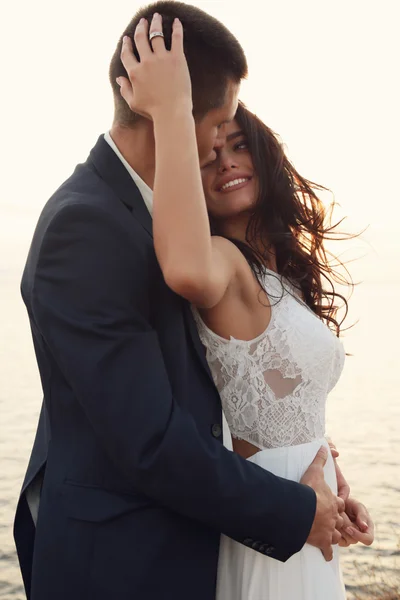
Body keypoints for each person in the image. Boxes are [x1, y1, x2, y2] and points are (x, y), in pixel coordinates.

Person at [13, 5, 371, 600]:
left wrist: (310, 464)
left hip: (197, 543)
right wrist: (295, 510)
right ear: (181, 116)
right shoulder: (86, 225)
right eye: (223, 120)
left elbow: (212, 389)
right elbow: (149, 440)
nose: (223, 147)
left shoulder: (171, 223)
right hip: (122, 567)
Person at [116, 11, 374, 600]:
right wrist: (174, 110)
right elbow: (180, 265)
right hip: (270, 516)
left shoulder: (282, 276)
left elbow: (295, 410)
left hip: (307, 510)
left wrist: (331, 484)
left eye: (240, 146)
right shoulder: (222, 262)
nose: (226, 160)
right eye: (211, 154)